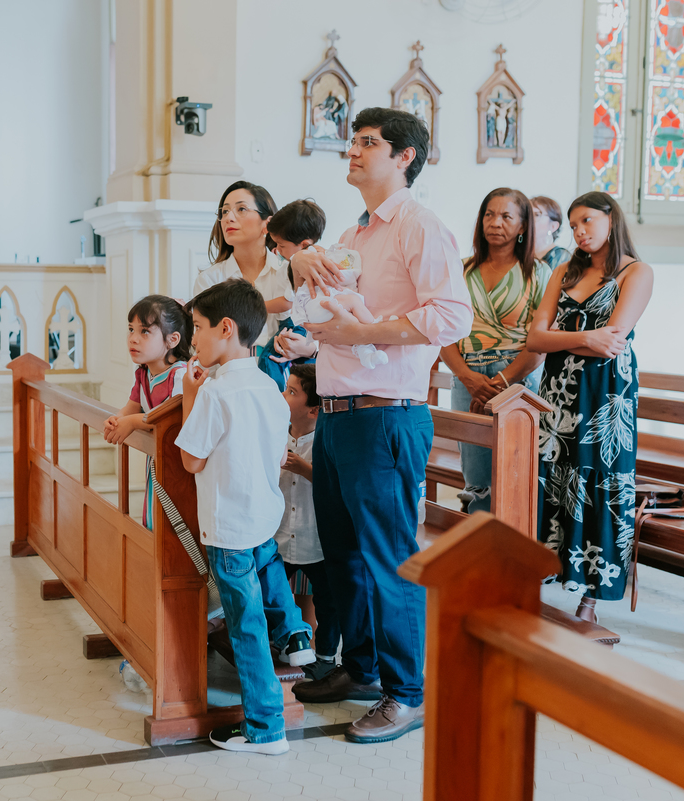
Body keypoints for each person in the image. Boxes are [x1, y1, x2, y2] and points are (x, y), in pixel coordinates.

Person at [286, 107, 473, 744]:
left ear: (405, 157)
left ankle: (407, 693)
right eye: (352, 142)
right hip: (339, 415)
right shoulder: (355, 233)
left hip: (386, 416)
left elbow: (451, 317)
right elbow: (340, 322)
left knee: (389, 557)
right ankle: (361, 670)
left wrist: (360, 332)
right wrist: (309, 336)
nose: (353, 152)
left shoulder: (419, 227)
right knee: (345, 556)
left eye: (369, 144)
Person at [175, 278, 315, 755]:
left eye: (197, 328)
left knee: (245, 626)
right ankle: (296, 631)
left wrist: (190, 397)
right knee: (267, 574)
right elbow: (278, 453)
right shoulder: (270, 386)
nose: (193, 340)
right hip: (262, 516)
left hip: (229, 523)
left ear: (226, 328)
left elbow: (191, 460)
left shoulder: (215, 394)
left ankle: (265, 728)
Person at [527, 191, 654, 625]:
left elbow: (613, 341)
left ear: (610, 219)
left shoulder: (636, 272)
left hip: (605, 398)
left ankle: (592, 596)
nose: (579, 231)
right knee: (553, 478)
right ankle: (545, 574)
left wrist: (565, 338)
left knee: (601, 481)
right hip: (558, 395)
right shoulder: (564, 270)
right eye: (574, 224)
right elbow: (534, 340)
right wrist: (585, 338)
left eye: (587, 221)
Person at [439, 188, 551, 513]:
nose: (495, 223)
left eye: (506, 216)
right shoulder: (461, 270)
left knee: (519, 472)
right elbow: (443, 332)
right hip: (467, 375)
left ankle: (517, 557)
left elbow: (540, 343)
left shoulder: (539, 273)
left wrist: (502, 379)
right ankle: (479, 553)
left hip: (519, 378)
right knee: (476, 476)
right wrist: (469, 378)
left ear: (522, 227)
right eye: (489, 214)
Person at [274, 364, 339, 681]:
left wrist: (304, 469)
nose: (283, 396)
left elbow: (336, 485)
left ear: (314, 409)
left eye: (291, 392)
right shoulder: (276, 434)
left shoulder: (326, 442)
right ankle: (282, 641)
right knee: (271, 592)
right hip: (281, 535)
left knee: (328, 602)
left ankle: (326, 657)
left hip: (316, 538)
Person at [104, 296, 191, 530]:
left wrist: (132, 421)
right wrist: (118, 418)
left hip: (178, 464)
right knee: (153, 518)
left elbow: (170, 420)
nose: (133, 338)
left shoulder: (181, 376)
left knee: (172, 524)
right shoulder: (143, 373)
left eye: (144, 332)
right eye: (131, 329)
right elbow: (131, 407)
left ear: (172, 339)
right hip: (156, 459)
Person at [193, 181, 290, 350]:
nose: (228, 218)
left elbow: (309, 336)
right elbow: (205, 348)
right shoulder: (209, 280)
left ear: (267, 224)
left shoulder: (289, 273)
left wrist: (306, 349)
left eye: (241, 209)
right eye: (224, 211)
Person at [256, 199, 327, 389]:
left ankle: (276, 397)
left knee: (268, 359)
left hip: (295, 324)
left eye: (281, 245)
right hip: (306, 326)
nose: (277, 250)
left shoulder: (299, 264)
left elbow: (287, 303)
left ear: (304, 244)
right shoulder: (314, 257)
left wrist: (257, 306)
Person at [532, 195, 572, 270]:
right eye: (528, 214)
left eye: (537, 215)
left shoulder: (562, 257)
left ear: (553, 226)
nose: (529, 219)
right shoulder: (518, 253)